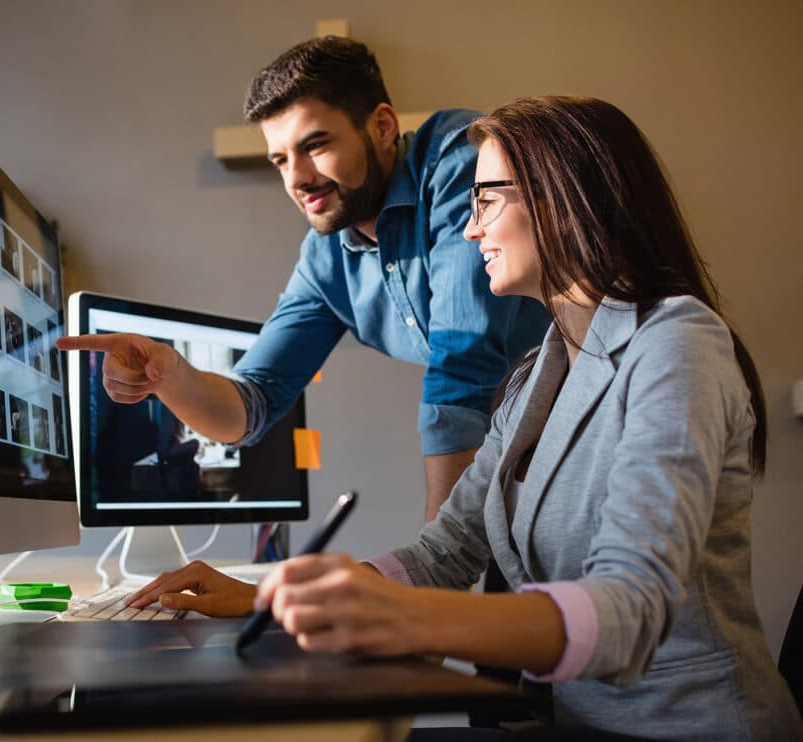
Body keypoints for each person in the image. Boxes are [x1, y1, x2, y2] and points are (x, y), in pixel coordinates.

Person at [126, 96, 803, 740]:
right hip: (575, 724)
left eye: (485, 200)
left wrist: (405, 621)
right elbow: (445, 553)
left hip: (684, 732)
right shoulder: (538, 374)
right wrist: (269, 596)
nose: (471, 227)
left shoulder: (676, 342)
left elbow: (630, 613)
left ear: (562, 198)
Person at [58, 37, 548, 520]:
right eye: (281, 160)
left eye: (315, 146)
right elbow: (250, 404)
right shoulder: (324, 260)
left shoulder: (460, 158)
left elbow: (462, 367)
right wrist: (169, 374)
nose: (297, 178)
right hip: (516, 453)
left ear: (381, 126)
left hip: (593, 415)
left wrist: (439, 573)